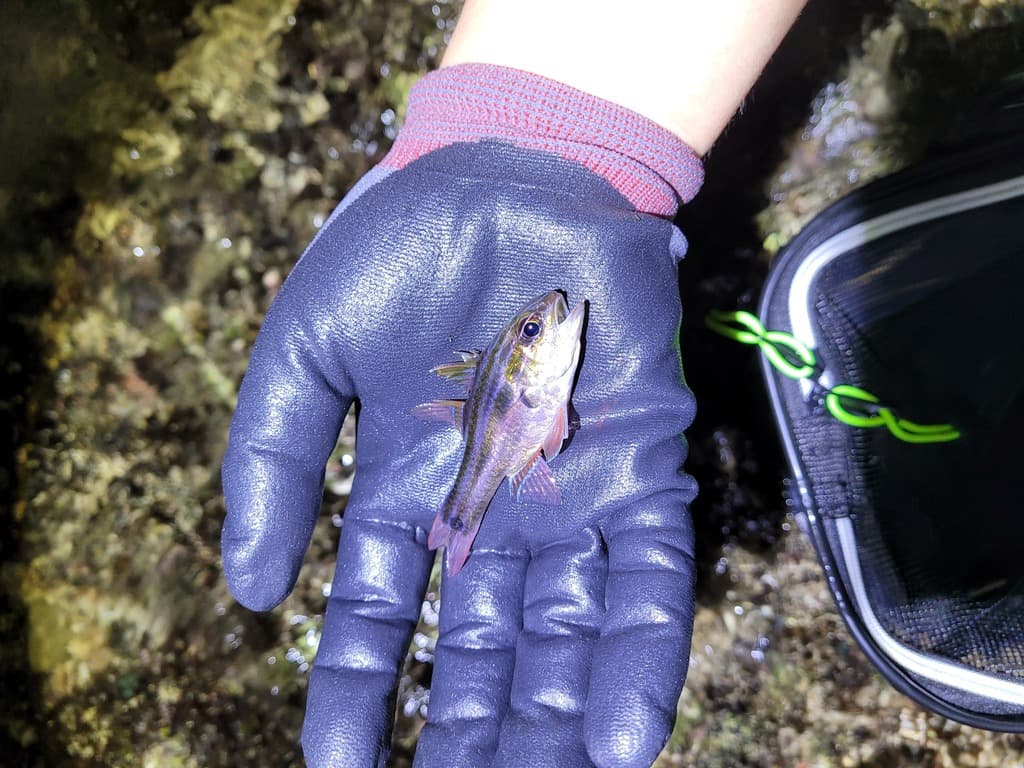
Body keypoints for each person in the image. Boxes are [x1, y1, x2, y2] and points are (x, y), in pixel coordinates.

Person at [220, 1, 808, 766]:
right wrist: (561, 140)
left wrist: (532, 134)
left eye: (531, 331)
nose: (546, 322)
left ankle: (459, 524)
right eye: (531, 331)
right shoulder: (525, 381)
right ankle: (456, 524)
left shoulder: (536, 365)